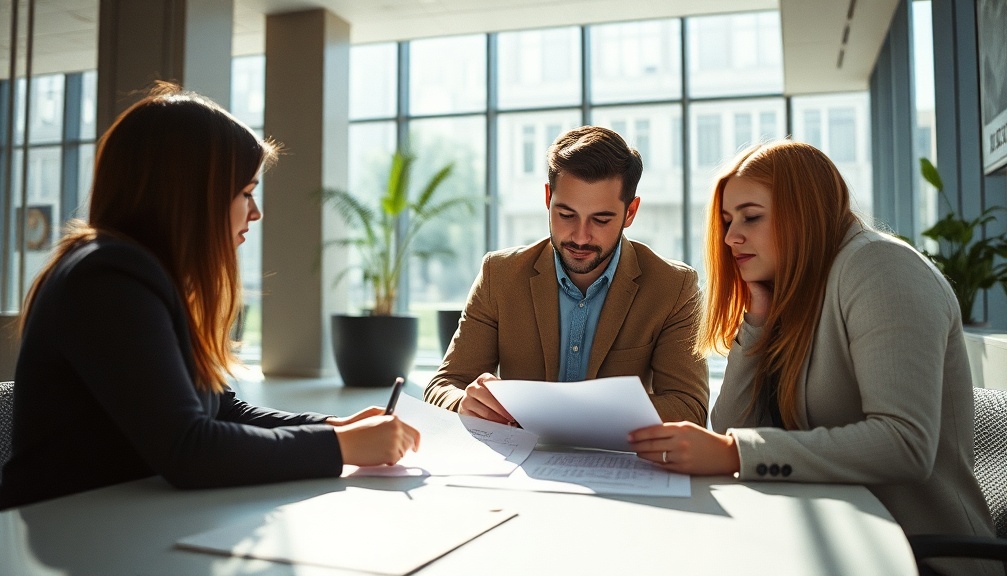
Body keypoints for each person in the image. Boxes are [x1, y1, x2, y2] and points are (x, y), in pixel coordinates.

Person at [0, 84, 419, 510]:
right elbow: (189, 449)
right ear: (193, 194)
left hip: (119, 521)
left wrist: (334, 426)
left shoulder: (145, 277)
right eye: (246, 193)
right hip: (67, 533)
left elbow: (221, 411)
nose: (255, 213)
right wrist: (338, 446)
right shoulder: (107, 279)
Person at [627, 140, 999, 576]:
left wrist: (733, 454)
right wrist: (758, 321)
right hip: (835, 539)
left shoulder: (881, 268)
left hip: (919, 557)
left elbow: (904, 443)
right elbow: (733, 426)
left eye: (751, 217)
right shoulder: (797, 286)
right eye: (728, 221)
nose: (730, 237)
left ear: (803, 211)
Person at [424, 125, 709, 425]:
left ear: (630, 212)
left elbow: (689, 407)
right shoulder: (500, 275)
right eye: (566, 215)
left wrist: (572, 413)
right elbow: (443, 386)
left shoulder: (674, 287)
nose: (581, 236)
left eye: (600, 219)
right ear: (548, 198)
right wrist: (463, 403)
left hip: (614, 462)